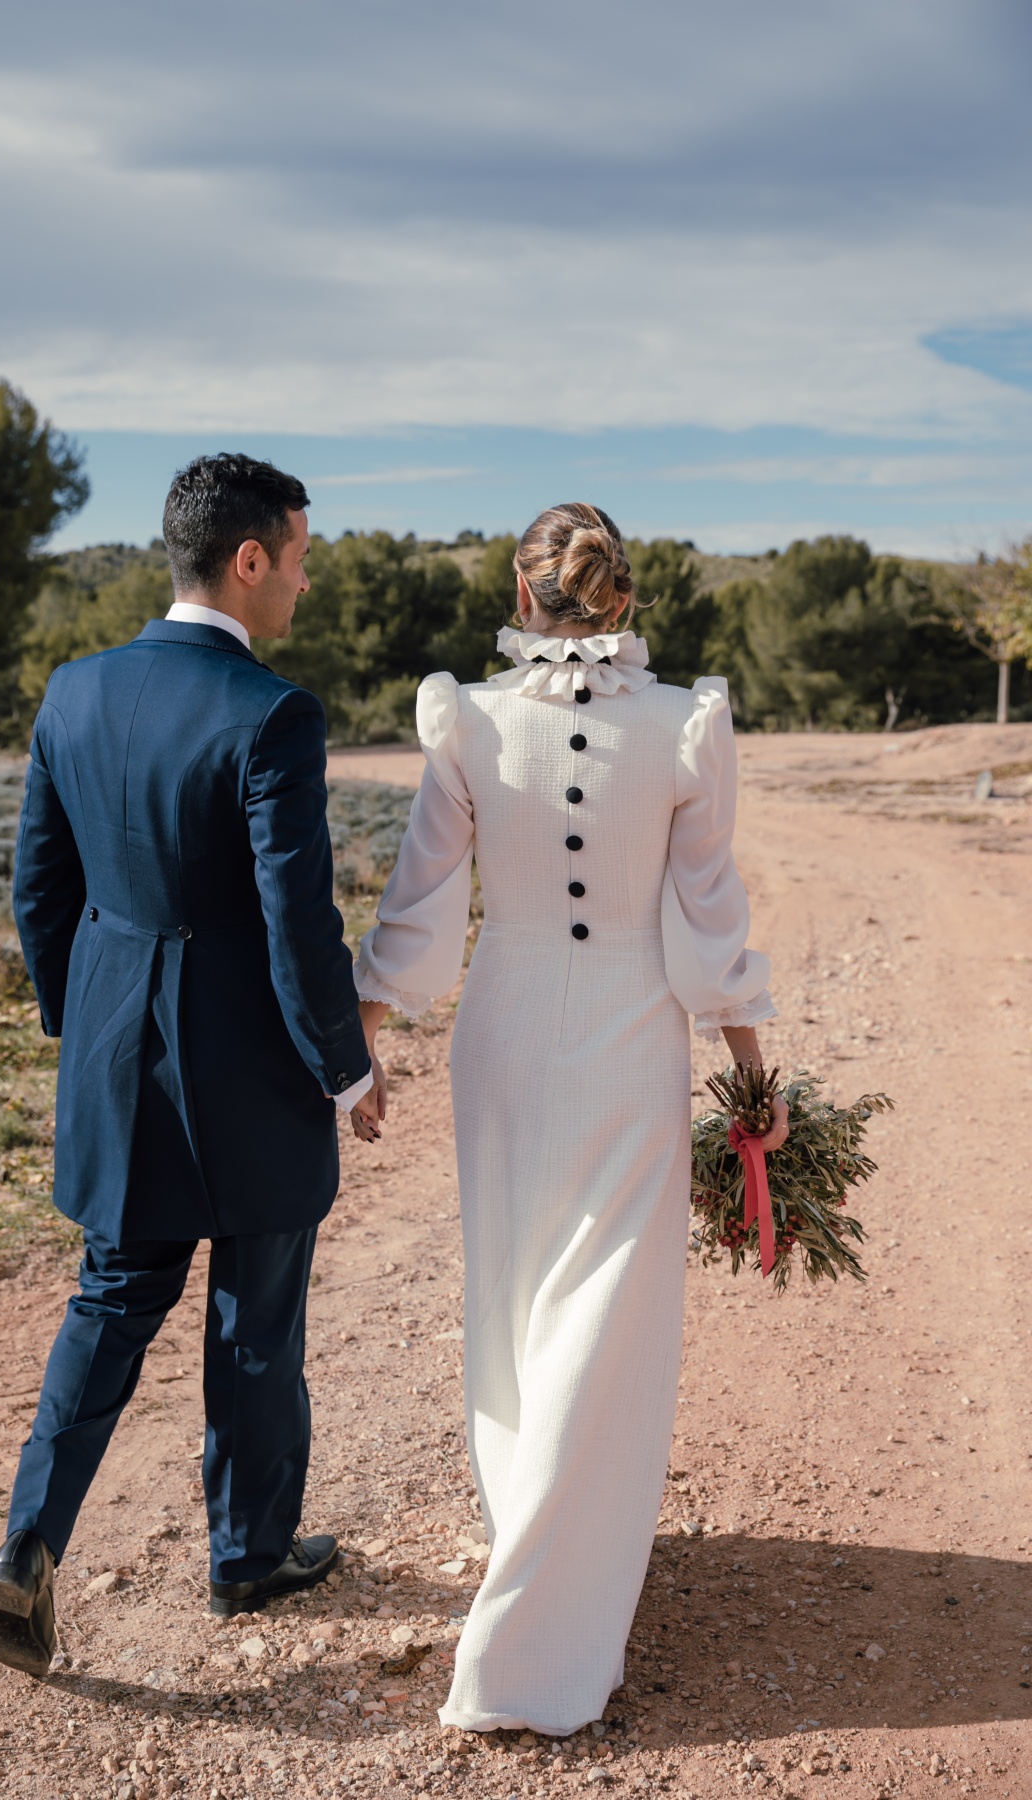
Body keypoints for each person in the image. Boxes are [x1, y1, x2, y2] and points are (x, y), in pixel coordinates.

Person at [351, 503, 787, 1737]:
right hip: (629, 1033)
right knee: (610, 1314)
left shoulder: (466, 717)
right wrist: (756, 1077)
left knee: (514, 1298)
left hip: (502, 1033)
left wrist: (362, 1042)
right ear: (622, 599)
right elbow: (711, 921)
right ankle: (556, 1617)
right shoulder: (689, 725)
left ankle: (524, 1559)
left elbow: (422, 910)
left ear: (520, 587)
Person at [0, 454, 383, 1677]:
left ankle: (28, 1545)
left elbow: (37, 889)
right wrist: (347, 1068)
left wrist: (85, 1024)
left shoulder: (75, 691)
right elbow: (294, 919)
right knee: (255, 1319)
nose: (306, 583)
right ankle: (248, 1556)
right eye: (300, 558)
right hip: (248, 1071)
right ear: (248, 560)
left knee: (110, 1300)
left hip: (116, 1054)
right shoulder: (273, 714)